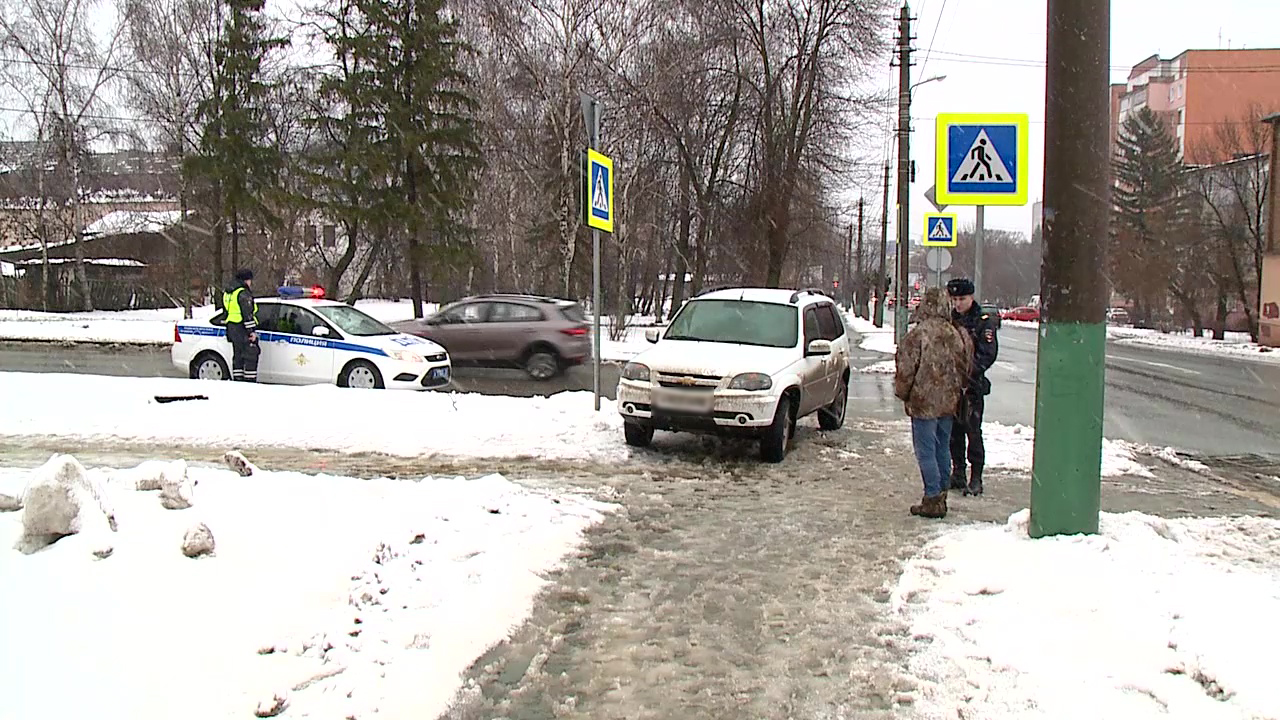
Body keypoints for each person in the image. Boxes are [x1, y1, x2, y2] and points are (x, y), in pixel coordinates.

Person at [894, 288, 972, 519]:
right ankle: (942, 496)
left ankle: (932, 498)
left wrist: (903, 394)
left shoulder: (918, 335)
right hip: (949, 402)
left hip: (923, 402)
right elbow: (966, 367)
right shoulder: (957, 333)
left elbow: (906, 371)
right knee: (942, 448)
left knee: (925, 451)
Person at [947, 277, 1000, 496]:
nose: (958, 304)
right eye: (955, 299)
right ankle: (958, 472)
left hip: (972, 386)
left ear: (971, 297)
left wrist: (969, 372)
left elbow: (988, 354)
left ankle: (976, 477)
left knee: (972, 430)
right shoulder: (950, 320)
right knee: (953, 432)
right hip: (951, 386)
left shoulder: (982, 321)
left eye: (962, 298)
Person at [222, 268, 260, 382]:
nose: (250, 283)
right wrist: (251, 332)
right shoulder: (243, 293)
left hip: (232, 328)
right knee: (251, 354)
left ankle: (238, 380)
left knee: (238, 356)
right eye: (249, 280)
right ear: (245, 280)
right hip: (242, 328)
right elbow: (247, 315)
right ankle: (249, 382)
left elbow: (226, 312)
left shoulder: (228, 292)